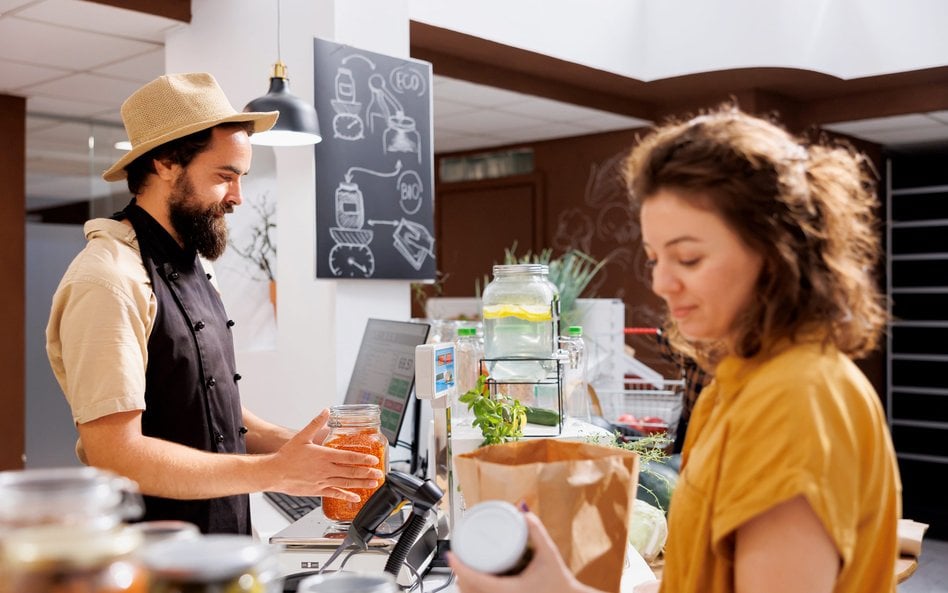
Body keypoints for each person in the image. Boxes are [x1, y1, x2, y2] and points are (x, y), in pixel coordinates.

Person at [449, 104, 901, 593]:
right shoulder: (737, 385)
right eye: (654, 258)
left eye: (689, 257)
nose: (662, 283)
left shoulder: (796, 400)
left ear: (776, 252)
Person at [46, 73, 382, 534]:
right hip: (154, 558)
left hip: (221, 540)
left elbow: (204, 400)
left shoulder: (197, 266)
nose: (238, 197)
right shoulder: (108, 280)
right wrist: (279, 472)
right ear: (165, 162)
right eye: (224, 177)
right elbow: (118, 456)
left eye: (241, 178)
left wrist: (307, 450)